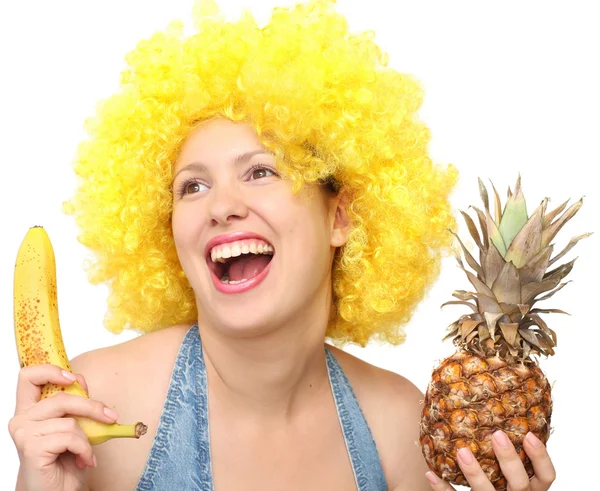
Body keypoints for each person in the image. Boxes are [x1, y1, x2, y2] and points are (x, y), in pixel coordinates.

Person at [8, 1, 556, 490]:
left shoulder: (396, 425)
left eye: (260, 172)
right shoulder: (98, 403)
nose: (221, 206)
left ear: (340, 217)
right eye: (192, 186)